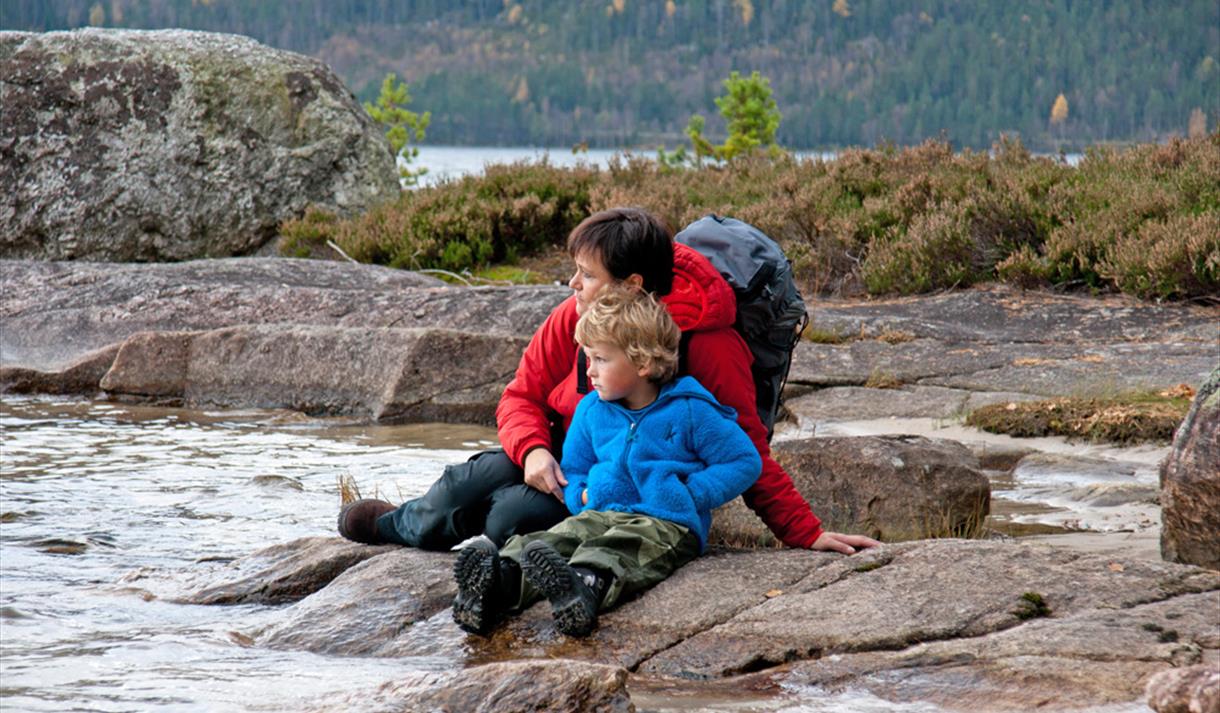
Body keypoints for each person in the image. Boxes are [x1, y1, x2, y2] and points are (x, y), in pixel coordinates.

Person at [337, 207, 878, 555]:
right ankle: (394, 527)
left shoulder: (709, 345)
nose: (573, 283)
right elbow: (520, 396)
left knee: (510, 518)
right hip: (563, 455)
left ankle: (473, 543)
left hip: (629, 491)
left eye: (587, 274)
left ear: (632, 283)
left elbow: (747, 448)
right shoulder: (570, 317)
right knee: (469, 483)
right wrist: (530, 452)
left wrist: (805, 533)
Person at [451, 287, 761, 636]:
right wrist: (581, 496)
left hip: (665, 522)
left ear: (642, 363)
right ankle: (499, 583)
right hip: (600, 512)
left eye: (600, 359)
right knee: (559, 537)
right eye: (588, 358)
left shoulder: (690, 409)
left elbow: (743, 461)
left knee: (619, 548)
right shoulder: (591, 411)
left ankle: (582, 591)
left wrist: (690, 494)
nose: (590, 371)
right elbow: (576, 468)